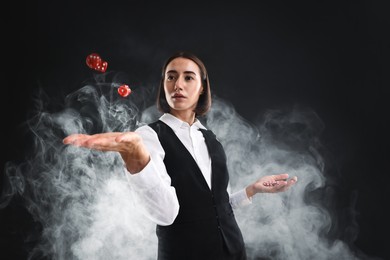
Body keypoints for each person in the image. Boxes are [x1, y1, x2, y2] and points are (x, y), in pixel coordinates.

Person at [63, 51, 298, 260]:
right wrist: (136, 156)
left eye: (188, 77)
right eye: (171, 76)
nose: (178, 85)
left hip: (234, 251)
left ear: (203, 86)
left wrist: (251, 190)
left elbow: (217, 206)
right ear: (164, 84)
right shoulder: (149, 135)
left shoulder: (210, 137)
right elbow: (166, 214)